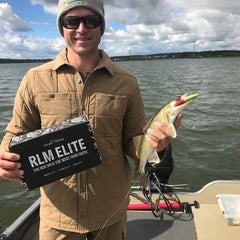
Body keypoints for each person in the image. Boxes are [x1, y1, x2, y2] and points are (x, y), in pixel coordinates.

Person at [0, 0, 182, 239]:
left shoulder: (127, 82)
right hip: (58, 216)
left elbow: (132, 141)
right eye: (71, 21)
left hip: (111, 213)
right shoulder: (34, 79)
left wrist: (156, 144)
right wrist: (5, 157)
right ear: (61, 28)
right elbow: (16, 132)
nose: (82, 28)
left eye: (91, 20)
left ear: (101, 27)